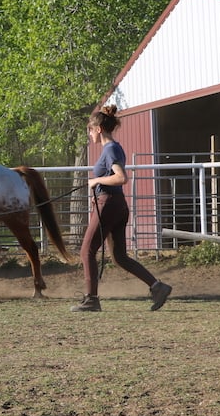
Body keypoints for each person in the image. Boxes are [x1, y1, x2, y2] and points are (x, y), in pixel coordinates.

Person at [71, 105, 172, 312]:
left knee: (86, 250)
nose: (89, 135)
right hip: (116, 205)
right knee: (120, 257)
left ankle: (91, 299)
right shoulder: (114, 148)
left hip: (108, 204)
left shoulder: (110, 149)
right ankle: (157, 287)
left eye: (90, 131)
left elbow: (121, 177)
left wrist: (96, 181)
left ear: (98, 129)